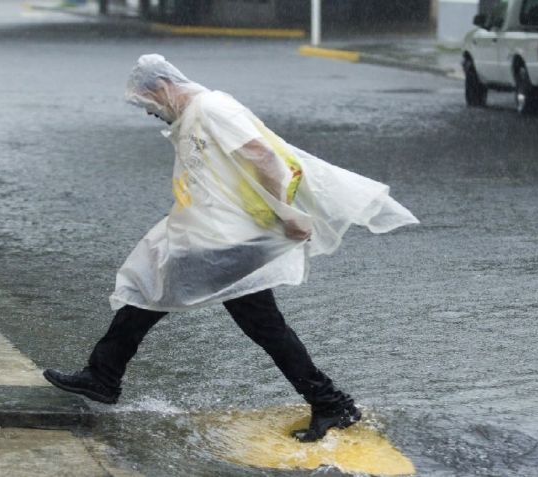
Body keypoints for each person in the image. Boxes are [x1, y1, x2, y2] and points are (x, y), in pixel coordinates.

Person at [44, 54, 418, 442]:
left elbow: (263, 156)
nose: (150, 113)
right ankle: (103, 375)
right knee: (165, 295)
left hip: (234, 239)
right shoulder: (194, 114)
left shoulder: (212, 107)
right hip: (218, 233)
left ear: (162, 88)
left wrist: (285, 213)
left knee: (166, 296)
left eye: (148, 104)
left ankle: (331, 402)